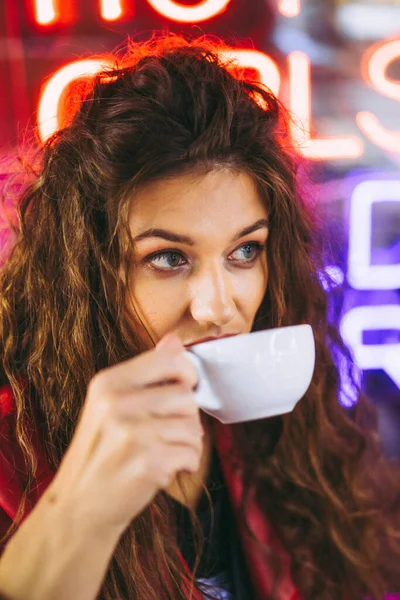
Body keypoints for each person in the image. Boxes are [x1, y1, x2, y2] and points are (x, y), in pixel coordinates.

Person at [0, 33, 399, 600]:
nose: (217, 308)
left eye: (245, 252)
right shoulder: (13, 455)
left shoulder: (280, 432)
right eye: (167, 258)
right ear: (87, 276)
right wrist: (82, 513)